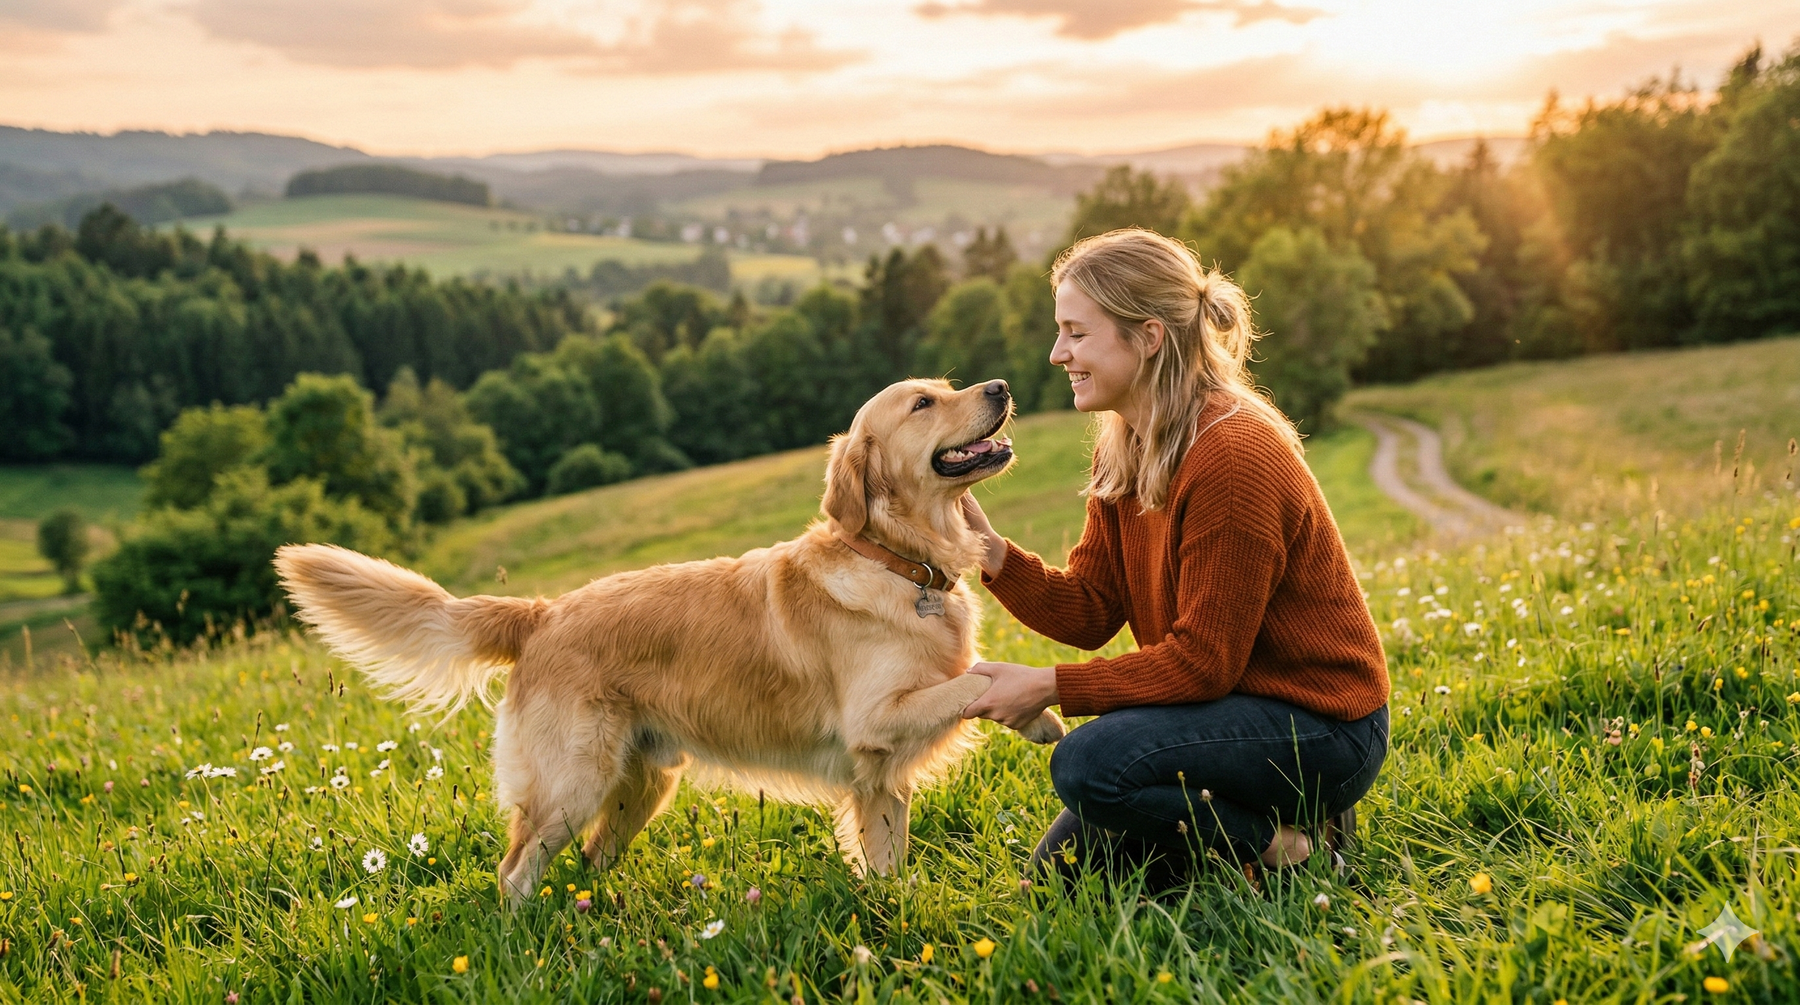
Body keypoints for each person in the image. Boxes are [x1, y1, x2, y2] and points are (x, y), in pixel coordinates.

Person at [958, 228, 1390, 883]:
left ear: (1149, 336)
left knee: (1088, 764)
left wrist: (1048, 685)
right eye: (1060, 331)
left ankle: (1294, 843)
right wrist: (990, 554)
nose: (1056, 354)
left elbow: (1203, 663)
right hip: (1219, 716)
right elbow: (1093, 607)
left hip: (1320, 728)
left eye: (1076, 332)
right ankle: (1244, 836)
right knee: (1062, 876)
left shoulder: (1234, 457)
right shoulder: (1125, 446)